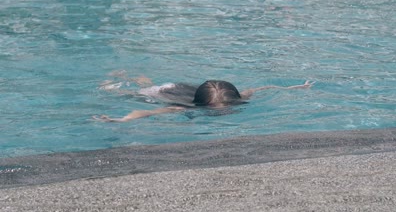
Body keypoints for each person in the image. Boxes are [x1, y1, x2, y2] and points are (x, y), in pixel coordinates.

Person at [94, 73, 313, 122]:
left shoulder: (235, 98)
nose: (224, 110)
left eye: (227, 106)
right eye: (216, 108)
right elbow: (148, 111)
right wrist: (120, 119)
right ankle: (127, 78)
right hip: (165, 92)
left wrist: (294, 88)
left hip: (185, 88)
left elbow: (262, 87)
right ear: (203, 106)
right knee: (136, 92)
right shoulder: (185, 108)